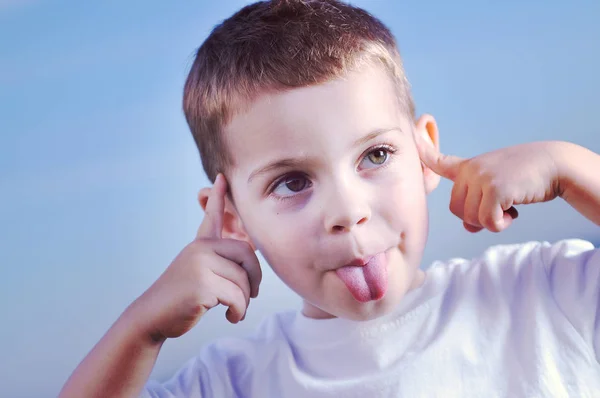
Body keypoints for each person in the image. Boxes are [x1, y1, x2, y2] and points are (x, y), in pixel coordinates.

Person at [59, 0, 600, 397]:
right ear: (232, 217)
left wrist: (573, 168)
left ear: (424, 152)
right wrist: (142, 328)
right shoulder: (233, 383)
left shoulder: (544, 297)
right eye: (292, 181)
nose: (347, 211)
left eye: (376, 156)